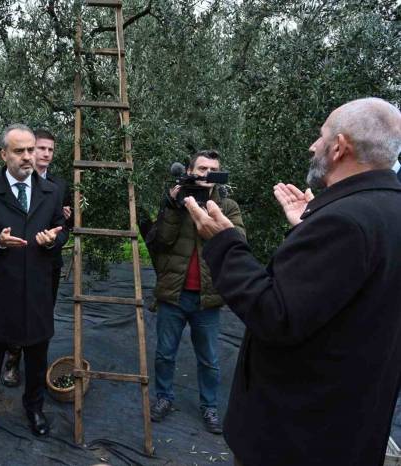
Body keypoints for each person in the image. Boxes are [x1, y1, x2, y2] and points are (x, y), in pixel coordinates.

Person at [184, 97, 401, 466]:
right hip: (350, 428)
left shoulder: (345, 222)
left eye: (320, 136)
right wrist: (310, 223)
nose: (313, 146)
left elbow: (276, 314)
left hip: (298, 436)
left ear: (339, 147)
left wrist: (223, 243)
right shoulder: (382, 209)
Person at [0, 124, 68, 445]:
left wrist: (54, 238)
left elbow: (61, 228)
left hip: (38, 287)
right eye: (20, 151)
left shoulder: (51, 191)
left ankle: (34, 408)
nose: (28, 157)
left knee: (37, 353)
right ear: (4, 154)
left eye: (31, 150)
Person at [146, 149, 245, 434]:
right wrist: (174, 207)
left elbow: (236, 243)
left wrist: (205, 214)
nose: (205, 174)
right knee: (165, 353)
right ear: (190, 170)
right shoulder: (175, 203)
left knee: (209, 359)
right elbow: (160, 242)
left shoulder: (227, 206)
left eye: (212, 169)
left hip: (207, 297)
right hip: (173, 295)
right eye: (201, 168)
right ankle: (164, 398)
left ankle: (209, 406)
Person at [1, 128, 72, 388]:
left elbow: (63, 227)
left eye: (49, 150)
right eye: (39, 148)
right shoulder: (9, 184)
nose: (43, 154)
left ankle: (35, 366)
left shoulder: (58, 185)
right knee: (14, 312)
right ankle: (12, 359)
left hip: (46, 262)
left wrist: (63, 223)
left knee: (42, 314)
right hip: (16, 261)